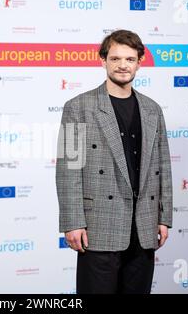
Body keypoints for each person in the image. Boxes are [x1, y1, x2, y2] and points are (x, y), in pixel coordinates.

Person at [56, 29, 173, 294]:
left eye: (130, 59)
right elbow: (68, 169)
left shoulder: (152, 109)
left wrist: (164, 218)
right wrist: (73, 222)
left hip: (143, 226)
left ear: (139, 62)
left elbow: (163, 166)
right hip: (99, 226)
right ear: (103, 60)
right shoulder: (79, 106)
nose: (123, 65)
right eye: (116, 58)